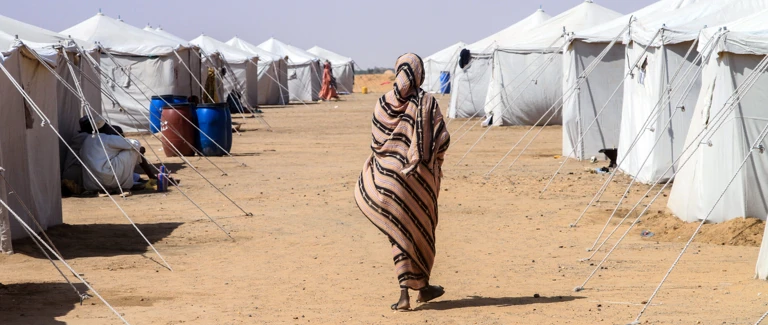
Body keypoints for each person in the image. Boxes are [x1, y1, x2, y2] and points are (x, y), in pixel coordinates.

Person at [354, 53, 451, 310]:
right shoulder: (427, 102)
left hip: (387, 183)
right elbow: (442, 139)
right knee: (419, 230)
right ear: (419, 74)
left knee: (399, 235)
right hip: (419, 182)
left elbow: (376, 144)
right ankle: (422, 286)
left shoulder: (382, 103)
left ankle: (407, 293)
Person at [77, 116, 157, 193]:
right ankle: (152, 178)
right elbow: (135, 144)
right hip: (109, 180)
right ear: (104, 127)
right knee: (135, 150)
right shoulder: (106, 138)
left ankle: (149, 178)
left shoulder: (87, 140)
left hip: (93, 184)